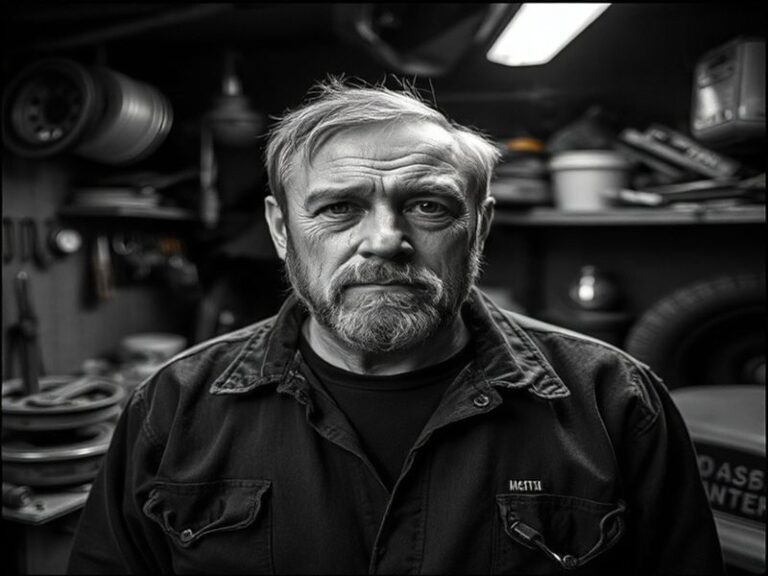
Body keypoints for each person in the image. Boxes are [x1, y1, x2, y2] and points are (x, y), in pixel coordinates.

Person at [67, 78, 724, 575]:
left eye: (428, 205)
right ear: (278, 229)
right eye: (339, 208)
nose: (384, 242)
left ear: (481, 229)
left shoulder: (616, 404)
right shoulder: (172, 407)